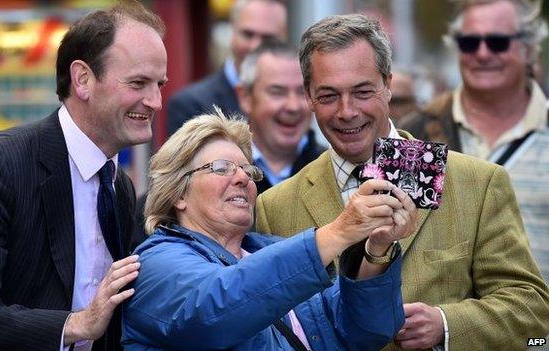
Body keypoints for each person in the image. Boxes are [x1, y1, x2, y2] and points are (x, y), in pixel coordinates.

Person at [256, 13, 549, 351]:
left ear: (389, 85)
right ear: (308, 96)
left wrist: (445, 324)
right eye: (328, 96)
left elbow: (532, 309)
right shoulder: (274, 207)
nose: (347, 111)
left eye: (363, 92)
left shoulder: (477, 183)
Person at [0, 2, 167, 350]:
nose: (155, 101)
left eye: (160, 83)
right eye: (139, 83)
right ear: (83, 79)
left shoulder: (119, 185)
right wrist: (76, 324)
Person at [121, 110, 417, 350]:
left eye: (248, 170)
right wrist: (339, 232)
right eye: (222, 168)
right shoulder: (154, 262)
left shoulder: (267, 250)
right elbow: (215, 310)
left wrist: (376, 250)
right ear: (178, 194)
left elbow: (368, 331)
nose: (242, 178)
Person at [400, 0, 549, 282]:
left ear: (529, 50)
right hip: (444, 323)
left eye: (497, 42)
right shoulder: (418, 133)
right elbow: (399, 238)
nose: (482, 54)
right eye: (469, 43)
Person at [166, 0, 287, 136]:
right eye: (248, 34)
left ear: (283, 39)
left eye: (267, 38)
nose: (255, 46)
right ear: (232, 32)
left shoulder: (297, 101)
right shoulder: (191, 106)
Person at [236, 40, 325, 194]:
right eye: (277, 92)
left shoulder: (330, 169)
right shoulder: (224, 171)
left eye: (301, 93)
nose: (293, 106)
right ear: (245, 97)